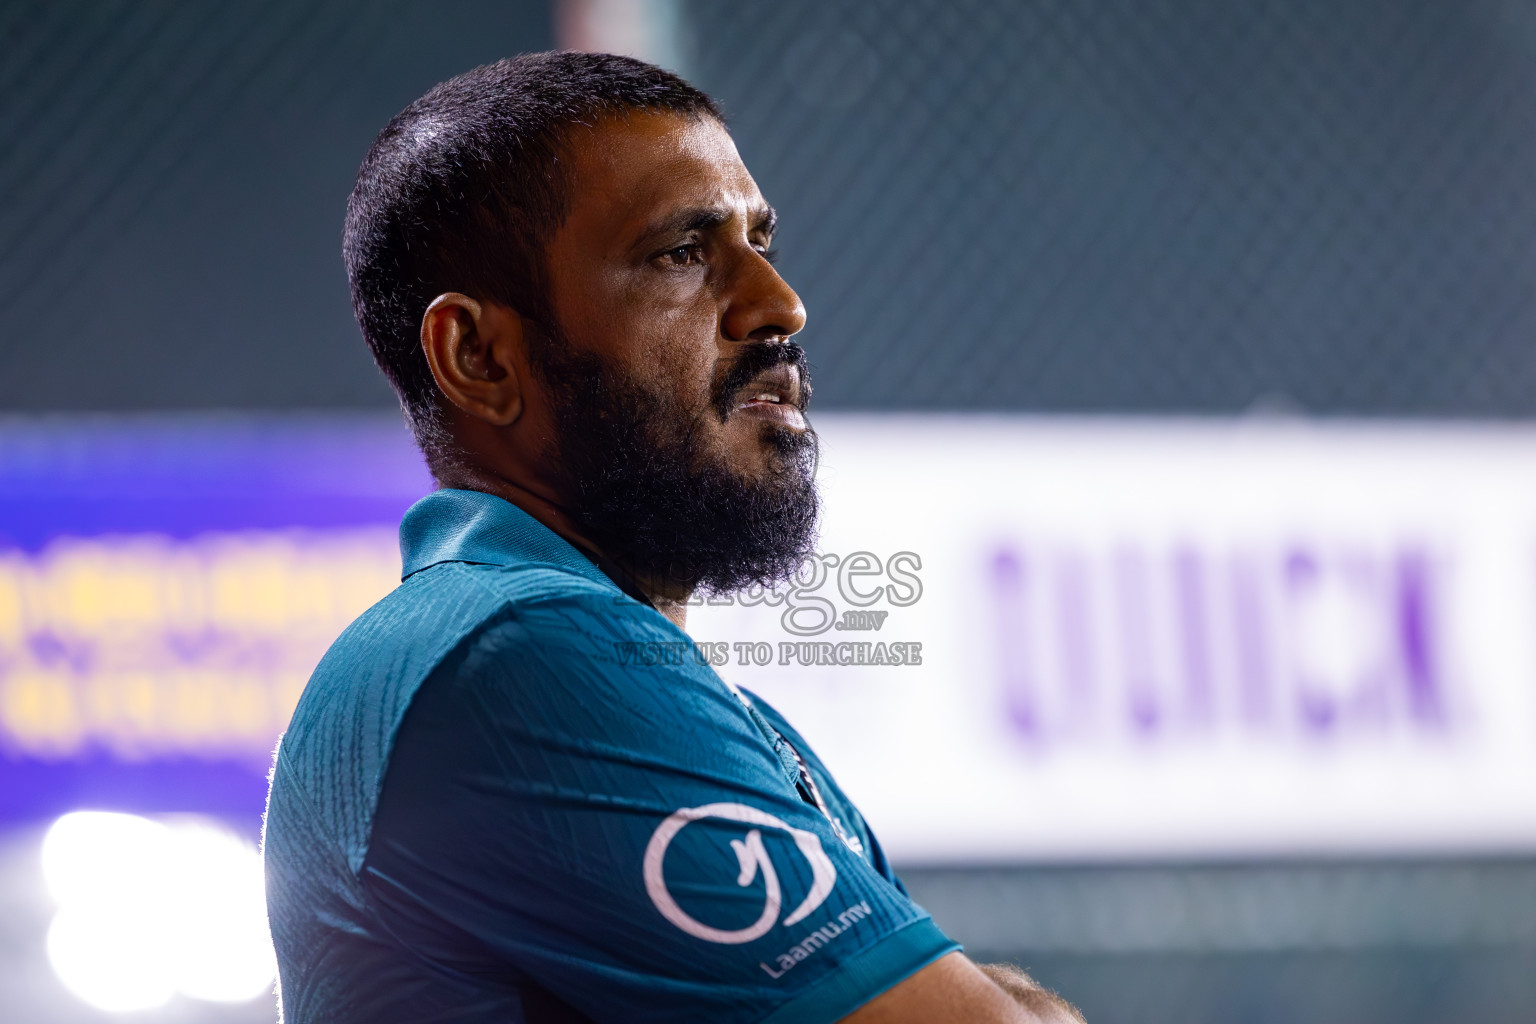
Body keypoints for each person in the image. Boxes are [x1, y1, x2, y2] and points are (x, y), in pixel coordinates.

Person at [263, 51, 1083, 1024]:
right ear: (479, 357)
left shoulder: (655, 688)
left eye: (761, 241)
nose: (779, 305)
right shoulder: (520, 657)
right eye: (682, 254)